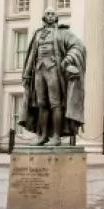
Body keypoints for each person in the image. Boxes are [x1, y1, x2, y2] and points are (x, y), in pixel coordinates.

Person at [20, 8, 87, 146]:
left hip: (54, 70)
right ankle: (43, 136)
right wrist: (26, 73)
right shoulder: (38, 34)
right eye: (47, 14)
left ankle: (56, 136)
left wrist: (68, 59)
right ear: (43, 17)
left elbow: (78, 46)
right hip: (39, 70)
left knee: (55, 103)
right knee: (41, 104)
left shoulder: (63, 32)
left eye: (52, 14)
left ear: (56, 17)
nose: (50, 16)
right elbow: (33, 54)